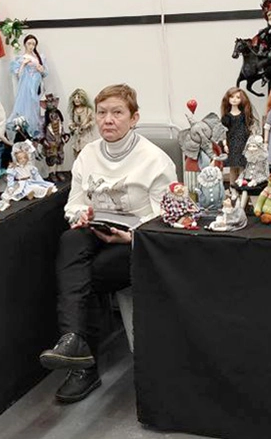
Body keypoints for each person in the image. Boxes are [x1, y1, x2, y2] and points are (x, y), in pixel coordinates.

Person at [39, 84, 177, 403]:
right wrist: (81, 215)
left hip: (135, 240)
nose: (108, 120)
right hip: (96, 230)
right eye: (102, 113)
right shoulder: (88, 155)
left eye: (117, 113)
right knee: (70, 239)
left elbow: (167, 217)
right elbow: (74, 203)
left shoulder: (154, 160)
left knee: (82, 276)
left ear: (134, 118)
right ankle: (73, 340)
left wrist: (131, 236)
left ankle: (82, 364)